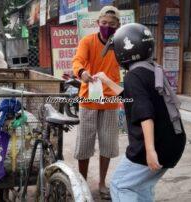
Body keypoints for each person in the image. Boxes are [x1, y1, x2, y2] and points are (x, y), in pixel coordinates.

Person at [94, 23, 186, 202]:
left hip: (154, 146)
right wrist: (105, 80)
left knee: (120, 185)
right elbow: (131, 98)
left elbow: (145, 113)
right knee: (141, 186)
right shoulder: (151, 69)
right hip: (173, 142)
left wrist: (150, 151)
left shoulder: (133, 76)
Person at [72, 5, 121, 200]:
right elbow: (78, 61)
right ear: (97, 23)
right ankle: (83, 182)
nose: (107, 27)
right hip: (89, 98)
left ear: (118, 25)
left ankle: (102, 182)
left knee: (108, 144)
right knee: (85, 144)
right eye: (104, 23)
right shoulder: (88, 41)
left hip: (110, 100)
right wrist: (82, 72)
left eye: (111, 24)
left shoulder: (120, 44)